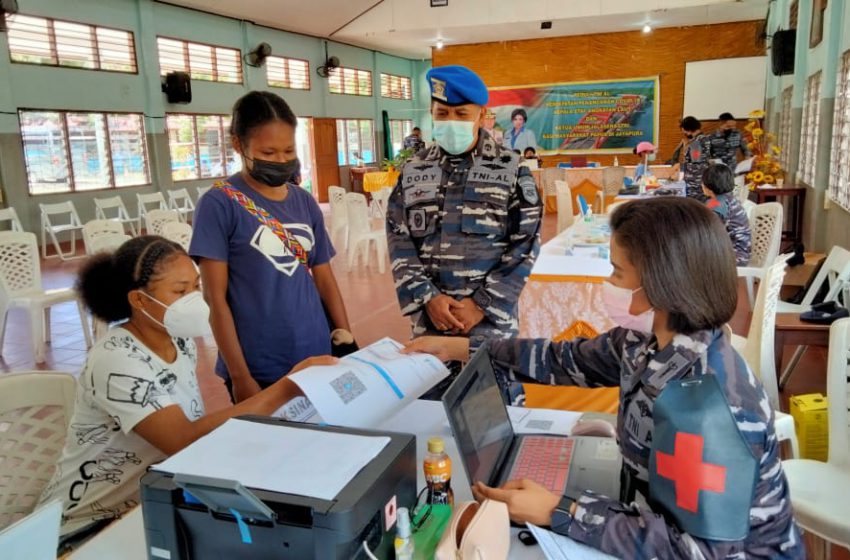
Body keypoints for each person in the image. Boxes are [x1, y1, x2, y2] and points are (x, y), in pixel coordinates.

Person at [405, 197, 804, 558]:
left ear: (664, 283)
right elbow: (561, 359)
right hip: (643, 512)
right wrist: (460, 348)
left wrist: (560, 510)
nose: (607, 284)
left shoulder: (707, 406)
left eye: (617, 272)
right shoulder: (647, 343)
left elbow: (697, 551)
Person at [39, 236, 334, 544]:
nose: (194, 299)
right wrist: (287, 388)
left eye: (195, 287)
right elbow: (183, 439)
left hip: (154, 503)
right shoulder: (116, 360)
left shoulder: (178, 342)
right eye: (180, 291)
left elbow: (196, 429)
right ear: (139, 301)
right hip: (89, 526)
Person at [386, 64, 543, 403]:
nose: (451, 120)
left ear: (482, 114)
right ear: (431, 112)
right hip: (431, 320)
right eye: (442, 112)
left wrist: (480, 305)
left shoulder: (511, 169)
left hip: (489, 325)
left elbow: (526, 244)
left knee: (493, 417)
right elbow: (399, 238)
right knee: (429, 417)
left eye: (461, 113)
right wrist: (428, 298)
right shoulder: (414, 170)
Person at [190, 91, 353, 403]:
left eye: (288, 150)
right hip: (259, 364)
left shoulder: (303, 201)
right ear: (238, 145)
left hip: (315, 352)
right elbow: (215, 298)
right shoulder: (219, 204)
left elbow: (324, 278)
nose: (281, 161)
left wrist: (345, 340)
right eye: (268, 152)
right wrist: (240, 376)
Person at [702, 163, 751, 265]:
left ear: (708, 186)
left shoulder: (718, 204)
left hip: (734, 256)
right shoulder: (728, 199)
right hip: (742, 251)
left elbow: (707, 232)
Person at [667, 116, 714, 199]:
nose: (684, 133)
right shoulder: (705, 139)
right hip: (702, 178)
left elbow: (695, 162)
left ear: (688, 129)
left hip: (695, 183)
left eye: (684, 131)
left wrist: (680, 165)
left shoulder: (696, 143)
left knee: (695, 205)